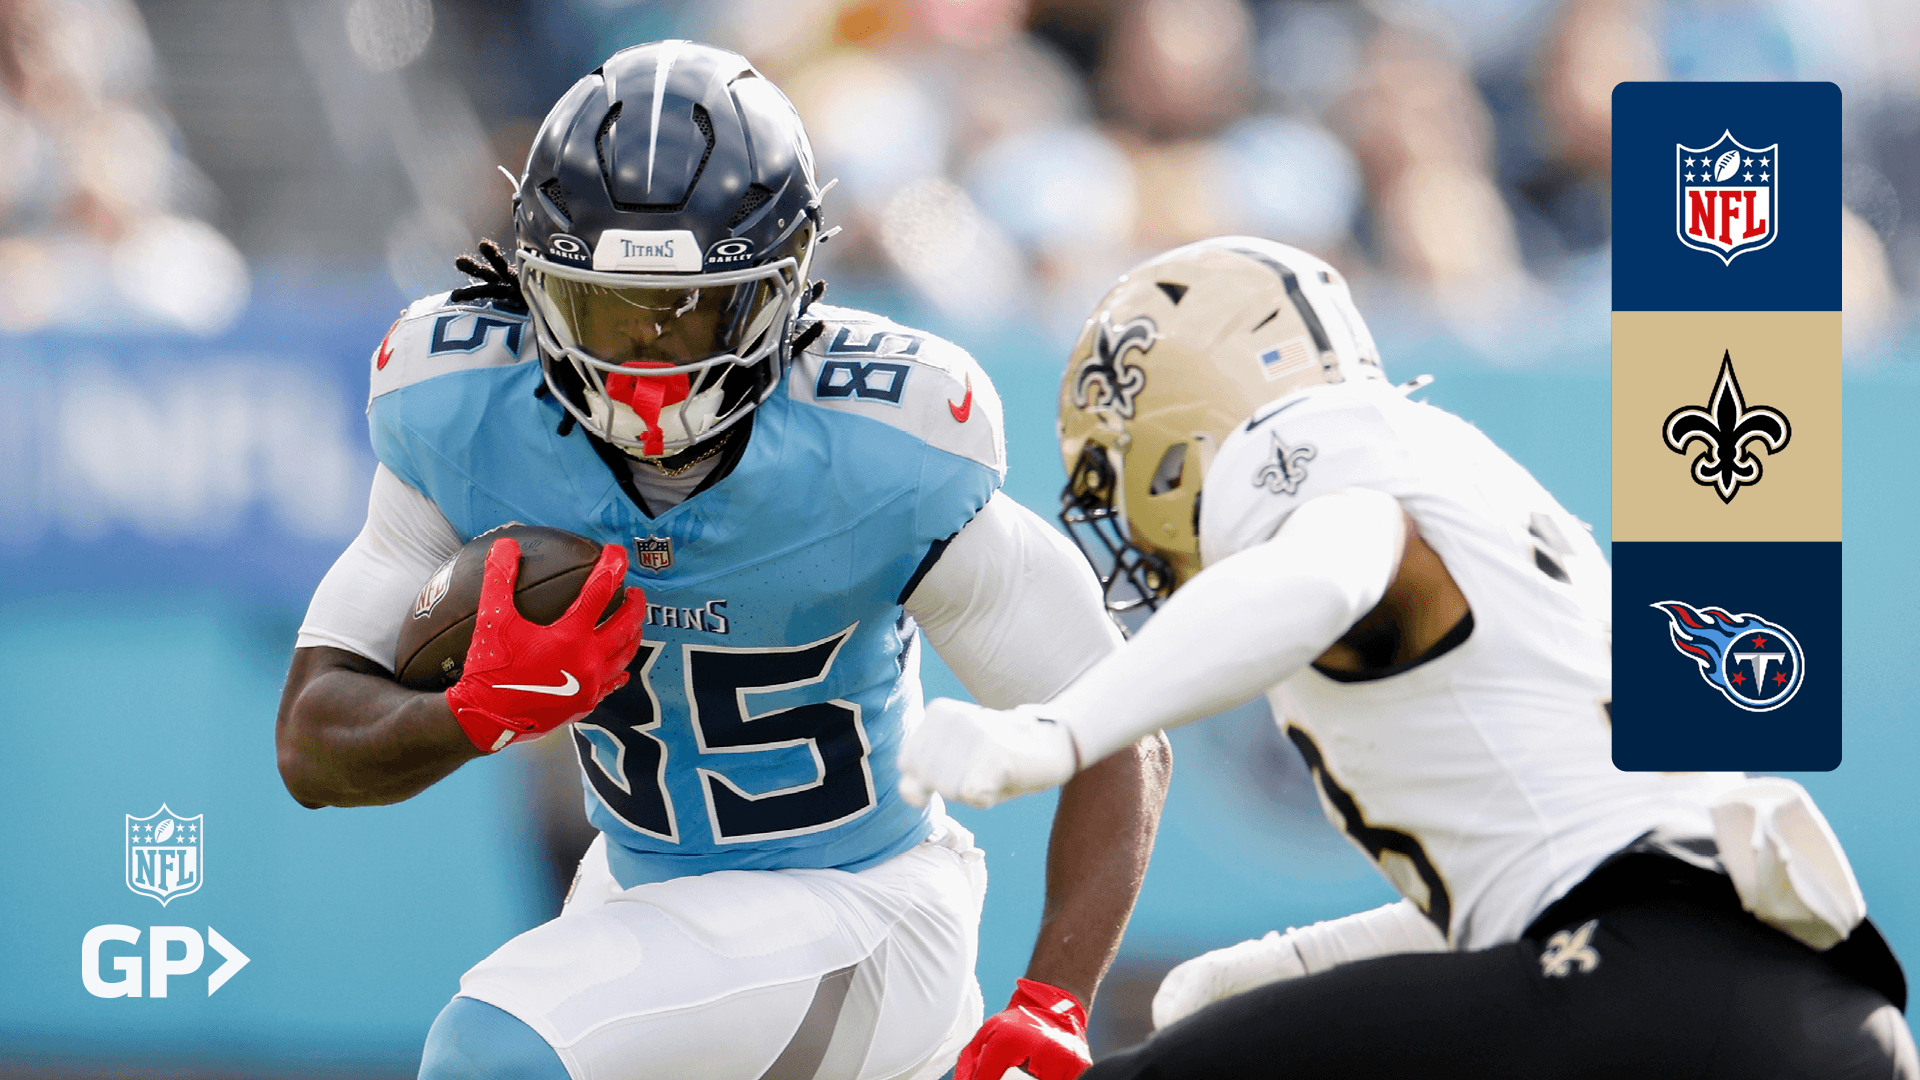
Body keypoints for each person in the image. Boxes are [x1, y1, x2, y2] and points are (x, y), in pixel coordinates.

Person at [276, 40, 1169, 1080]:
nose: (647, 360)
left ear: (785, 286)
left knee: (491, 1050)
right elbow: (311, 743)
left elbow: (1119, 727)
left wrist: (1055, 1000)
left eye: (691, 311)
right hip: (641, 896)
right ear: (532, 284)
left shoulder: (881, 446)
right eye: (608, 311)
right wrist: (470, 714)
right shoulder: (464, 407)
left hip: (860, 907)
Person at [897, 236, 1915, 1078]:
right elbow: (1537, 880)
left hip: (1657, 988)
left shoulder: (1300, 450)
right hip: (1819, 1018)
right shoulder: (1461, 474)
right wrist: (1298, 962)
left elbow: (1325, 574)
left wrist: (1060, 731)